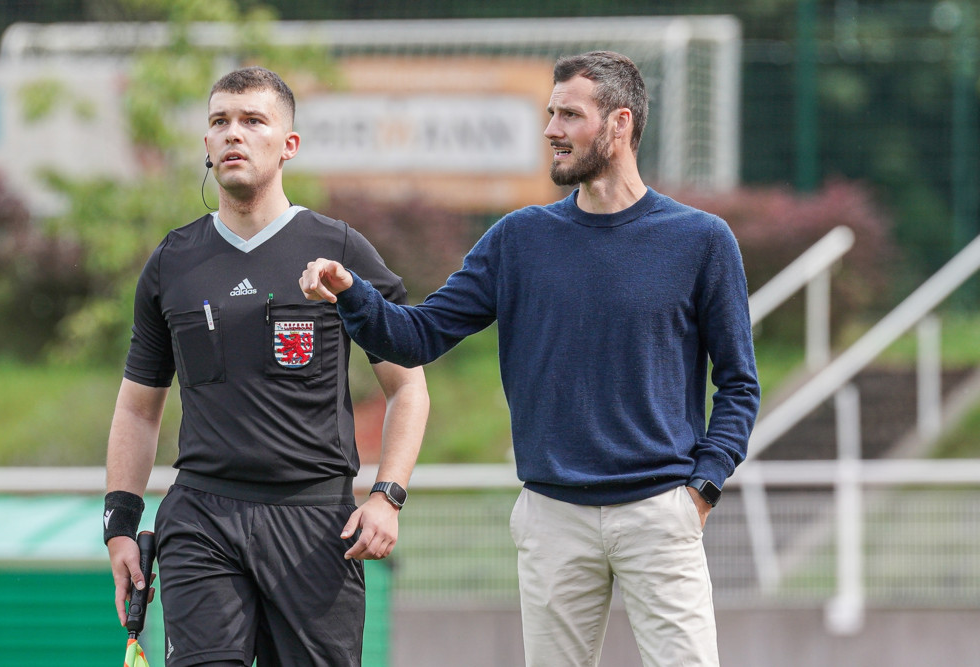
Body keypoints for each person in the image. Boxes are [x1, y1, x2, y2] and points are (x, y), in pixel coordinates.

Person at [299, 51, 760, 666]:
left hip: (661, 513)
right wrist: (352, 293)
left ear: (619, 124)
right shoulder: (519, 240)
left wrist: (702, 487)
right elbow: (418, 337)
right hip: (552, 518)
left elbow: (739, 385)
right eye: (550, 113)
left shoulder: (701, 241)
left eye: (569, 115)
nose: (550, 130)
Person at [103, 66, 429, 667]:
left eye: (254, 121)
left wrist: (387, 495)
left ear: (288, 145)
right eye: (220, 122)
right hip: (201, 515)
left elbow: (408, 387)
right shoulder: (172, 262)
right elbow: (137, 406)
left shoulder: (341, 250)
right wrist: (120, 520)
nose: (235, 134)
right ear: (205, 143)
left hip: (314, 524)